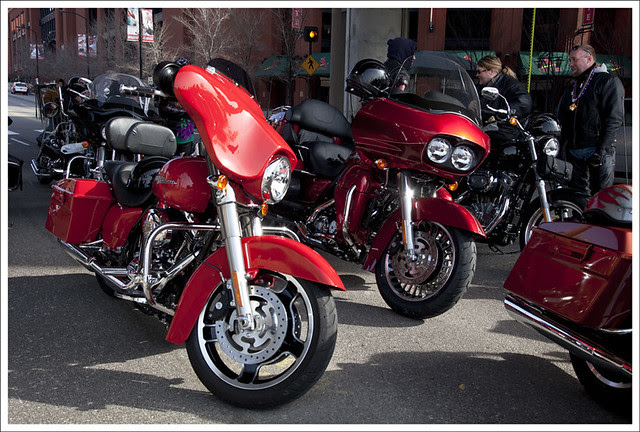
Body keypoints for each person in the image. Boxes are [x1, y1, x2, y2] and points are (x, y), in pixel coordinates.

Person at [556, 44, 625, 196]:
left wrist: (601, 150)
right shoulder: (572, 86)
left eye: (574, 59)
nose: (571, 64)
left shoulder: (607, 81)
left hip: (597, 149)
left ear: (589, 58)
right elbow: (562, 117)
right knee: (577, 196)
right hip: (574, 151)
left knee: (600, 196)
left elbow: (614, 118)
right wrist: (563, 147)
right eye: (570, 60)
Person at [475, 55, 532, 144]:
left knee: (482, 139)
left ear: (491, 71)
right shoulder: (482, 87)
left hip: (505, 129)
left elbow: (523, 103)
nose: (477, 75)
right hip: (486, 125)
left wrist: (505, 112)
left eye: (479, 71)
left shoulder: (511, 84)